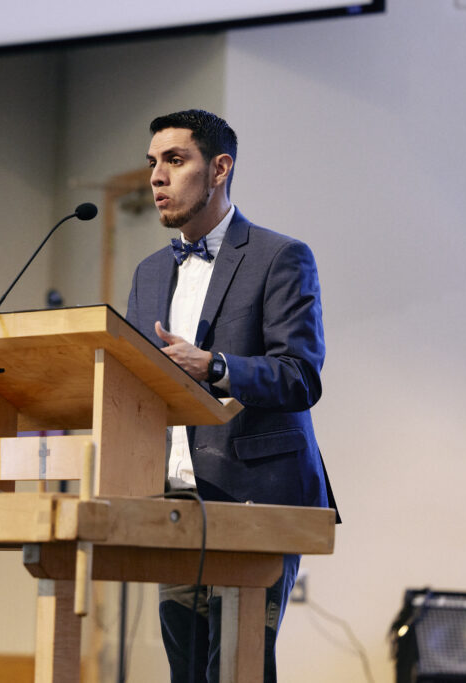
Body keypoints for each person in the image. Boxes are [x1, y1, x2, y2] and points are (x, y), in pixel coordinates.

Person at [126, 109, 336, 682]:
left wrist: (215, 365)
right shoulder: (148, 274)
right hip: (173, 502)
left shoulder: (280, 256)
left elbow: (300, 376)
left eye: (175, 160)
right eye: (152, 164)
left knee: (236, 669)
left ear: (220, 168)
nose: (156, 177)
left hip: (256, 500)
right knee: (187, 672)